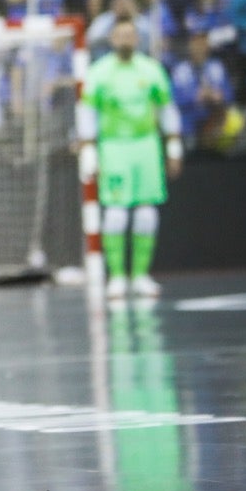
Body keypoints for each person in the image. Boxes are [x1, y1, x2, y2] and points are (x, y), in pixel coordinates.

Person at [78, 16, 183, 300]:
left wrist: (173, 146)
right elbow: (88, 112)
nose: (125, 39)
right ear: (112, 39)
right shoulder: (99, 72)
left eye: (130, 35)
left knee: (147, 212)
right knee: (115, 213)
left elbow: (166, 108)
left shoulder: (151, 70)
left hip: (146, 145)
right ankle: (117, 278)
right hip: (114, 147)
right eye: (120, 35)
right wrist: (89, 149)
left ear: (138, 39)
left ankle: (140, 275)